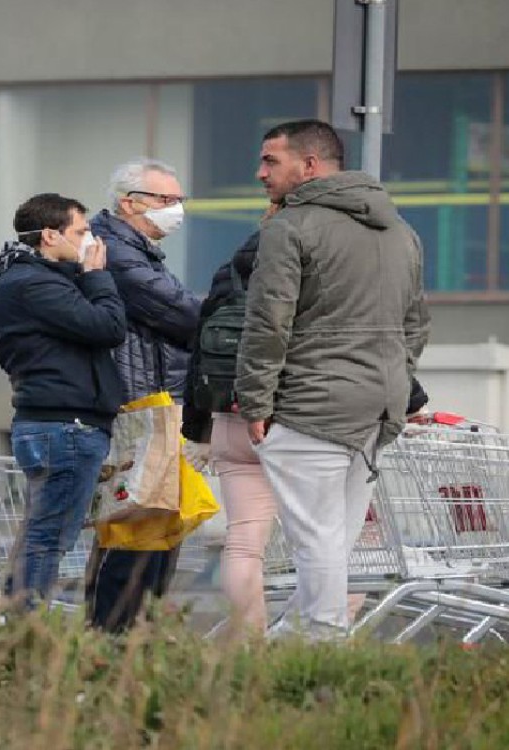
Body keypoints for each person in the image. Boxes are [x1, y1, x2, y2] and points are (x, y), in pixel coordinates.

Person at [186, 219, 434, 638]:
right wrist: (411, 402)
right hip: (302, 419)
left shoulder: (229, 275)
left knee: (244, 542)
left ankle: (250, 641)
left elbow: (201, 354)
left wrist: (198, 428)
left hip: (235, 419)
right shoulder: (318, 277)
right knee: (327, 541)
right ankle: (314, 635)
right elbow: (361, 347)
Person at [237, 119, 430, 639]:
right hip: (377, 408)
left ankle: (323, 648)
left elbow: (268, 322)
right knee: (334, 539)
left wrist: (255, 403)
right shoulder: (401, 231)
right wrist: (393, 378)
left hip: (309, 405)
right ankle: (298, 638)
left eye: (271, 161)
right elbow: (415, 325)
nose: (261, 173)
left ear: (311, 165)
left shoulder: (290, 227)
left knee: (316, 540)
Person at [0, 193, 127, 604]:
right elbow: (107, 325)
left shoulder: (39, 280)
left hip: (61, 426)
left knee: (45, 535)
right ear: (50, 235)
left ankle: (20, 627)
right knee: (48, 539)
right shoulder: (34, 284)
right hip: (65, 427)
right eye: (81, 231)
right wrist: (97, 275)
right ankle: (24, 633)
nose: (90, 240)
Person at [83, 158, 203, 634]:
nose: (176, 209)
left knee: (155, 529)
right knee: (136, 529)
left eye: (179, 200)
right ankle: (114, 638)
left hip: (153, 405)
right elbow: (182, 312)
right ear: (128, 202)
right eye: (165, 199)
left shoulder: (139, 250)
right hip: (138, 409)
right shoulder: (115, 250)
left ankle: (132, 639)